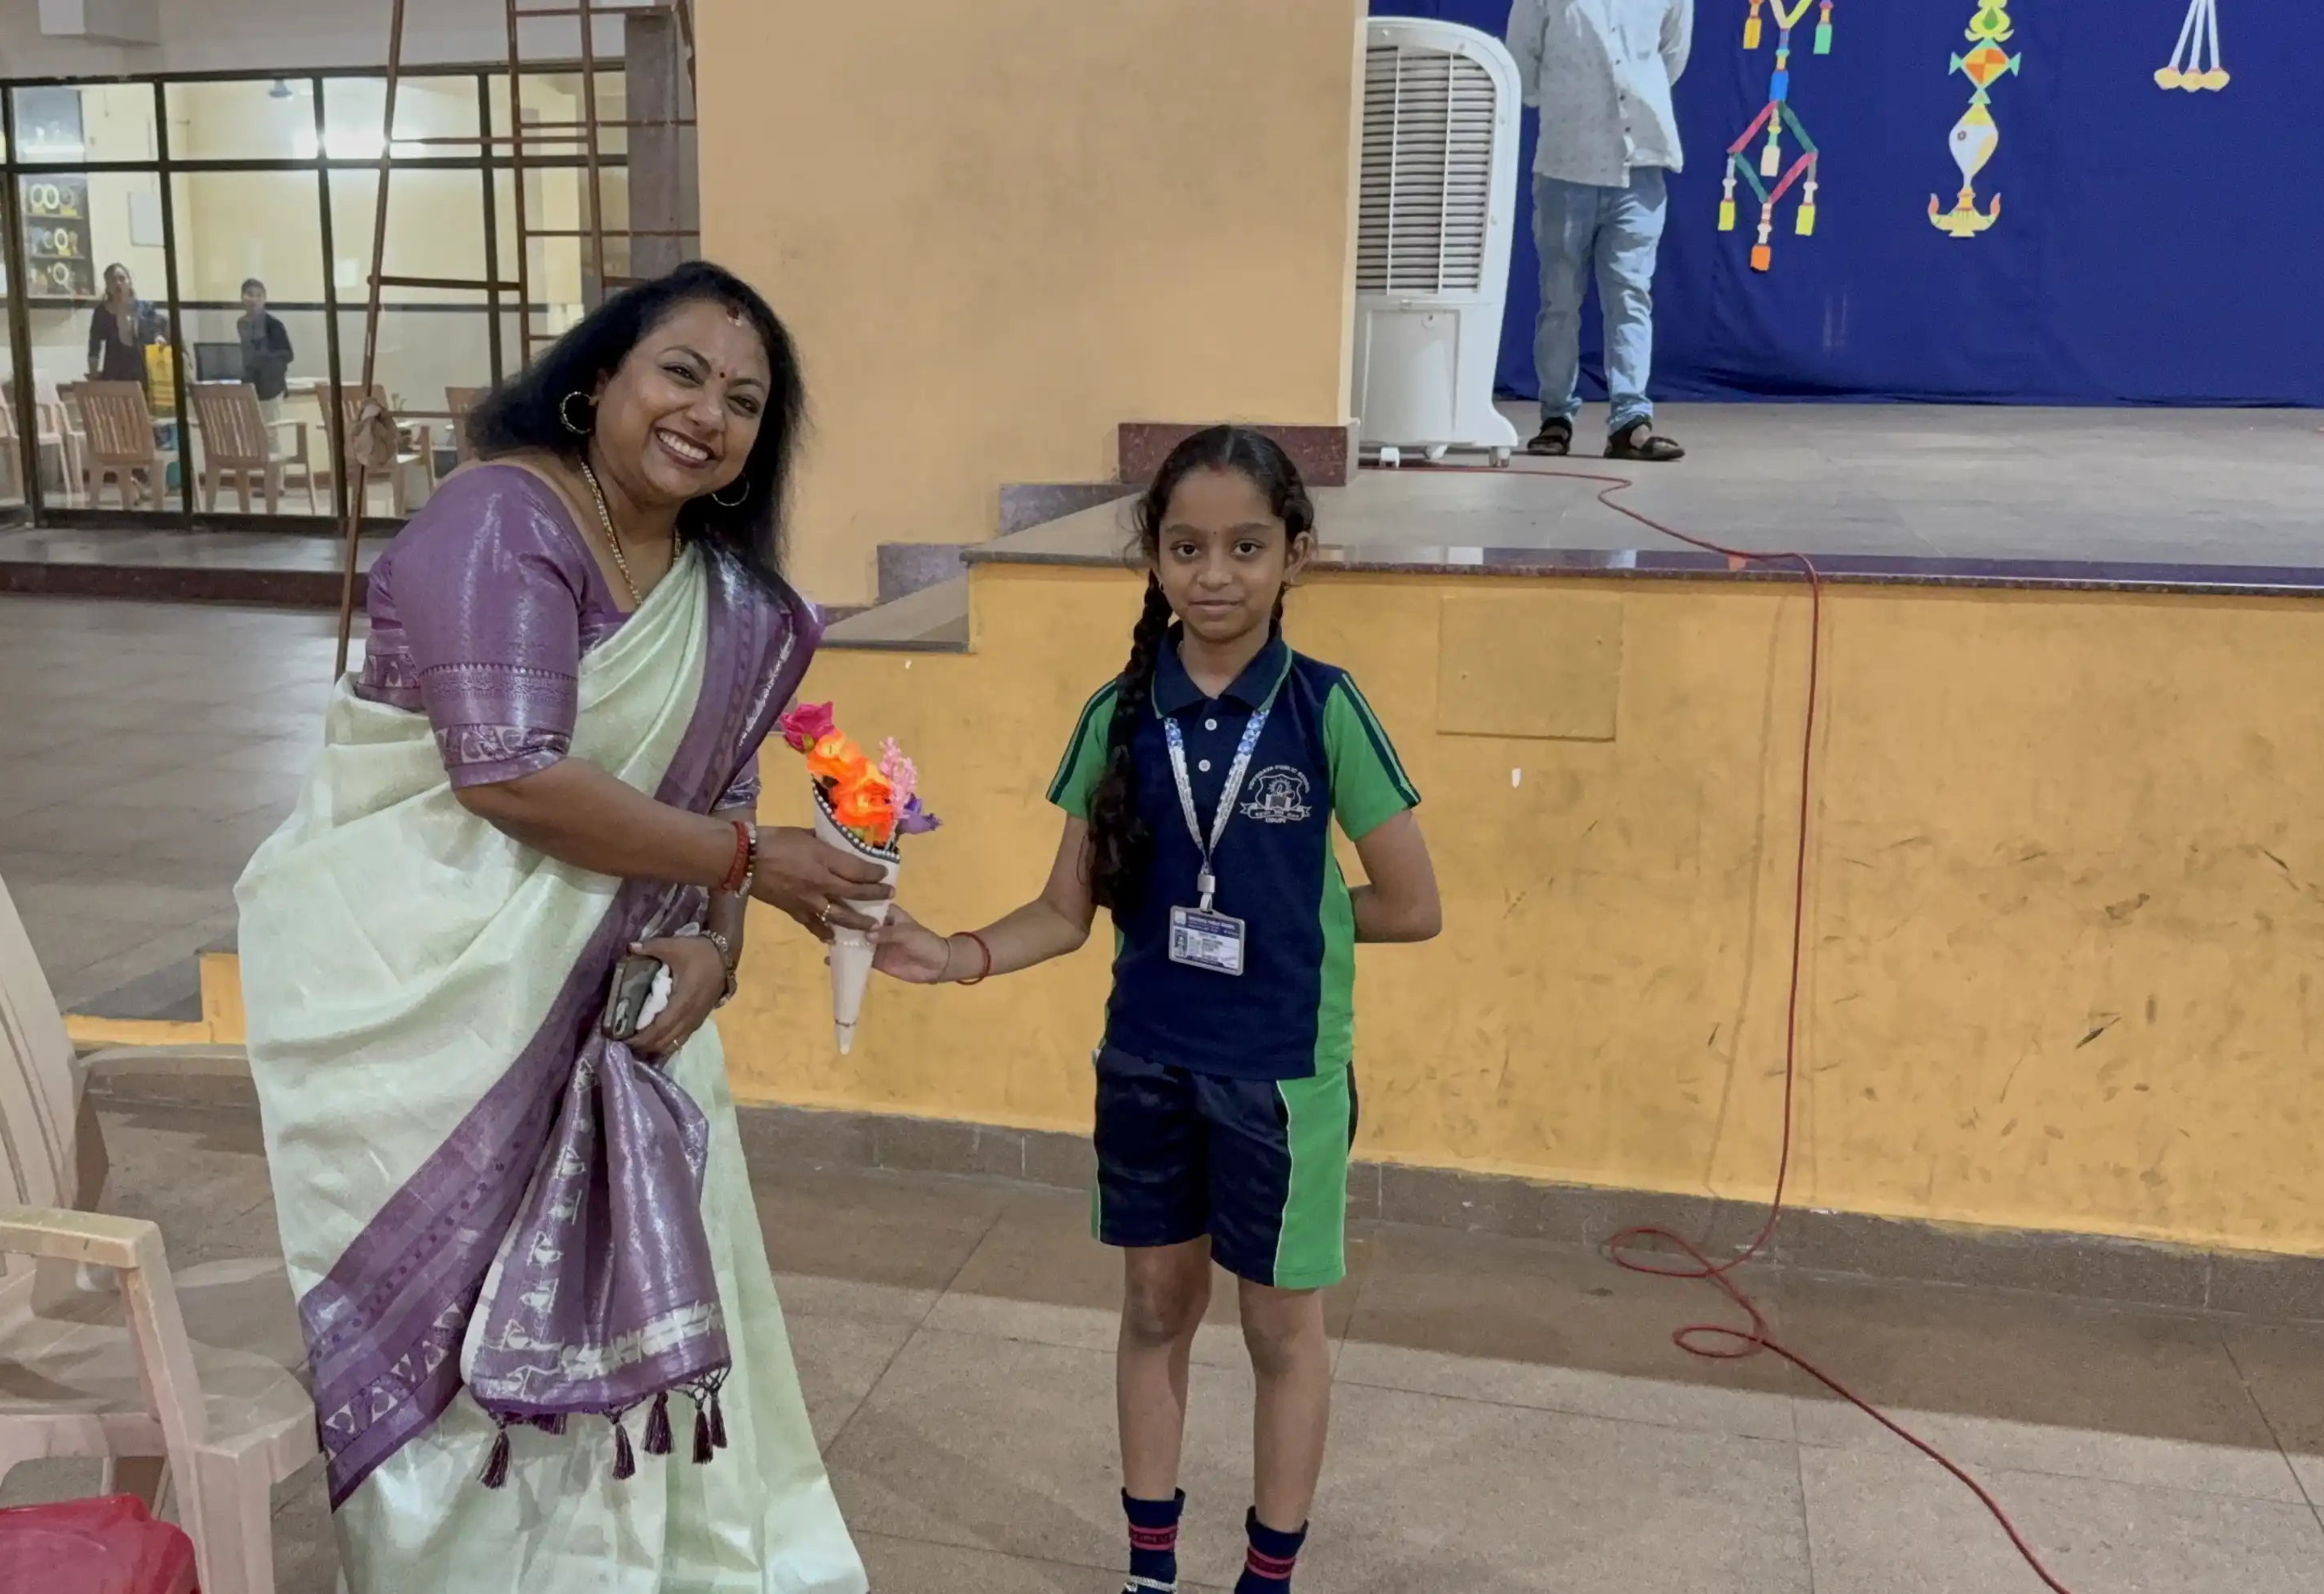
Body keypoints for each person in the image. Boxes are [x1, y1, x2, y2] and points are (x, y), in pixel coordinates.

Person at [234, 260, 876, 1594]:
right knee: (470, 1334)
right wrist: (752, 864)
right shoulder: (500, 521)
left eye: (747, 400)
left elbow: (728, 775)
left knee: (653, 1309)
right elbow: (507, 771)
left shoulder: (724, 595)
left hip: (626, 1003)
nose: (710, 412)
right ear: (600, 381)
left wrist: (721, 940)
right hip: (438, 1002)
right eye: (682, 372)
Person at [870, 427, 1441, 1594]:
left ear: (1297, 556)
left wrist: (1298, 928)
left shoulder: (1327, 712)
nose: (1215, 574)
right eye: (1187, 547)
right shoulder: (1119, 717)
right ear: (1152, 557)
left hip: (1281, 1077)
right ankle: (1149, 1569)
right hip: (1145, 1067)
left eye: (1245, 546)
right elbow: (1063, 912)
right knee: (1152, 1310)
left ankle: (1267, 1578)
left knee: (1282, 1334)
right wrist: (953, 954)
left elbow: (1413, 906)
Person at [1506, 0, 1693, 462]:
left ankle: (1631, 421)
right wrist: (1569, 100)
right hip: (1566, 164)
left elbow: (1673, 54)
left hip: (1640, 164)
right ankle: (1555, 418)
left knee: (1631, 295)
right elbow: (1522, 57)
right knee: (1560, 300)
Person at [88, 262, 162, 386]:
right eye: (113, 280)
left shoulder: (145, 309)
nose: (118, 283)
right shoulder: (102, 312)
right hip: (114, 376)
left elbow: (156, 334)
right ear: (108, 286)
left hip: (144, 374)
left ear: (129, 282)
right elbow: (94, 346)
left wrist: (159, 339)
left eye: (122, 278)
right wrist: (93, 375)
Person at [236, 277, 294, 426]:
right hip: (250, 386)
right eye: (250, 294)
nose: (254, 299)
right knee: (252, 432)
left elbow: (288, 355)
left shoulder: (273, 325)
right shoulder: (242, 323)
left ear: (264, 299)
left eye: (259, 295)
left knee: (270, 433)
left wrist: (263, 358)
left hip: (271, 388)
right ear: (242, 298)